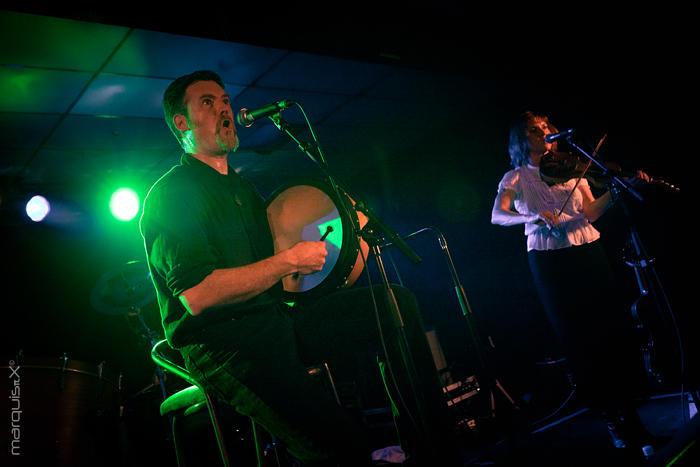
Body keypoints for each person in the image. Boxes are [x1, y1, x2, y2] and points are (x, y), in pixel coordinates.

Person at [139, 70, 456, 466]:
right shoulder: (173, 194)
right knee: (338, 442)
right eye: (208, 102)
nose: (224, 107)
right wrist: (289, 259)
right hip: (225, 346)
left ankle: (433, 449)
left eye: (224, 99)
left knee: (394, 304)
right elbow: (199, 295)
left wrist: (345, 243)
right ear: (181, 124)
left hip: (275, 320)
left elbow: (289, 280)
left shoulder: (241, 190)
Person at [490, 110, 656, 457]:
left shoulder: (571, 168)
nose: (546, 131)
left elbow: (590, 212)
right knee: (580, 339)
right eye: (536, 129)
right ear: (522, 139)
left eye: (546, 126)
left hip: (588, 251)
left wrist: (618, 190)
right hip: (551, 260)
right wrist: (531, 215)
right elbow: (497, 215)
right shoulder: (516, 176)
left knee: (610, 331)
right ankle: (613, 421)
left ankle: (631, 418)